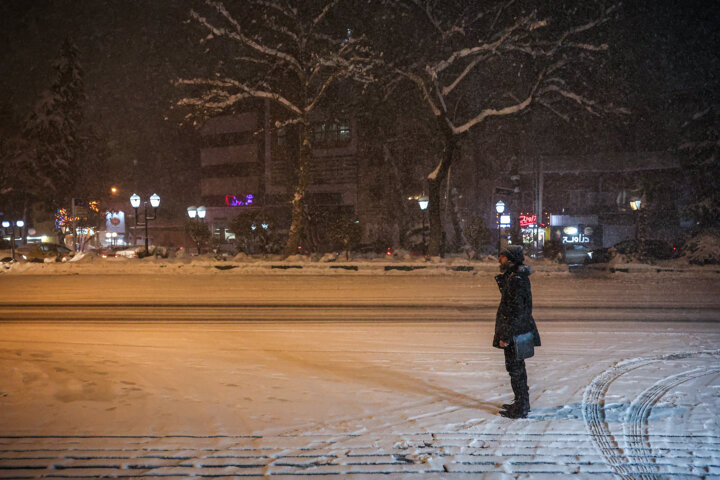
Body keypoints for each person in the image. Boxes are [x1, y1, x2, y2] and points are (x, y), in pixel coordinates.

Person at [493, 245, 541, 419]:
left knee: (516, 370)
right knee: (516, 369)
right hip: (517, 330)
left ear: (511, 259)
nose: (500, 259)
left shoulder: (516, 280)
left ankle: (521, 406)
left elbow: (515, 311)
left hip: (515, 333)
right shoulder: (514, 277)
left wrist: (506, 336)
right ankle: (521, 402)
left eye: (503, 257)